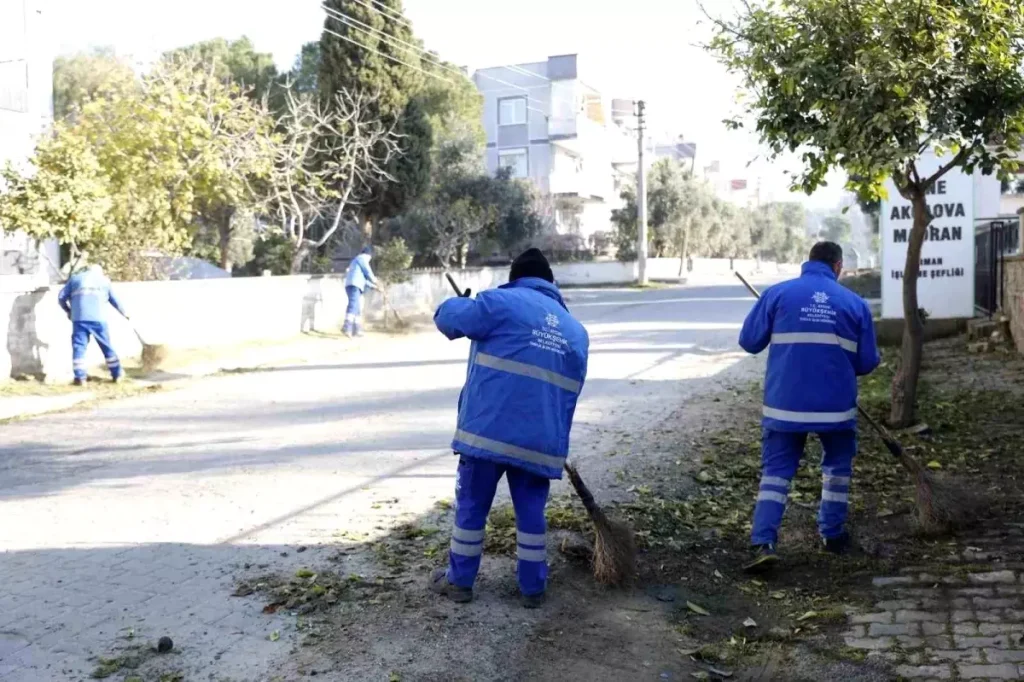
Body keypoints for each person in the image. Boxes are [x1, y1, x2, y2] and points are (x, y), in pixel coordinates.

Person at [429, 248, 589, 608]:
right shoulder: (576, 332)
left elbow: (449, 320)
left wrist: (459, 303)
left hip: (486, 435)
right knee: (532, 513)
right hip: (539, 442)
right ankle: (533, 589)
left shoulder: (498, 303)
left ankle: (459, 582)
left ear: (515, 278)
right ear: (551, 283)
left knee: (472, 507)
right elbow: (568, 396)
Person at [738, 241, 879, 572]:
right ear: (838, 266)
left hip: (784, 407)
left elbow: (749, 342)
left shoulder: (777, 295)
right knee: (837, 469)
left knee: (776, 473)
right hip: (836, 407)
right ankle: (832, 535)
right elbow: (866, 362)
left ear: (808, 262)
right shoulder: (855, 304)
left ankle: (763, 542)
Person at [57, 264, 129, 386]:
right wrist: (125, 313)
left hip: (79, 318)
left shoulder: (75, 279)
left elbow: (61, 297)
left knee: (79, 347)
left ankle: (80, 378)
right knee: (106, 346)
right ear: (99, 272)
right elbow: (114, 300)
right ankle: (117, 374)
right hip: (98, 318)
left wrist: (68, 311)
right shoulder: (104, 281)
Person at [343, 246, 378, 337]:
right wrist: (375, 281)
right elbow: (368, 272)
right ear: (368, 255)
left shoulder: (356, 262)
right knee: (353, 305)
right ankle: (347, 327)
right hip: (354, 285)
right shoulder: (361, 259)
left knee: (357, 307)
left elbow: (364, 280)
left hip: (354, 284)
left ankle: (357, 329)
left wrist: (374, 287)